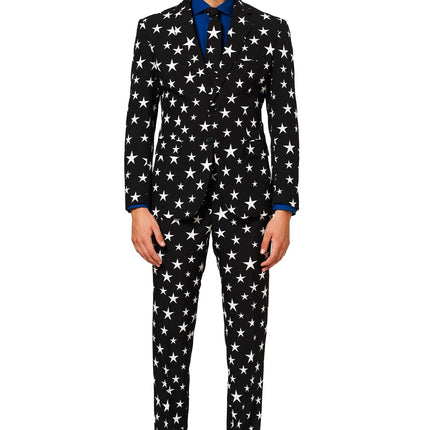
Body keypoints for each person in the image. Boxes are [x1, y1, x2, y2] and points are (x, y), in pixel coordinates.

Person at [123, 0, 300, 428]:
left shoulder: (271, 30)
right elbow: (139, 120)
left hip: (250, 208)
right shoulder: (154, 29)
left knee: (247, 342)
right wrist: (137, 204)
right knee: (169, 342)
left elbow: (284, 122)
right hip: (171, 205)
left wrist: (283, 209)